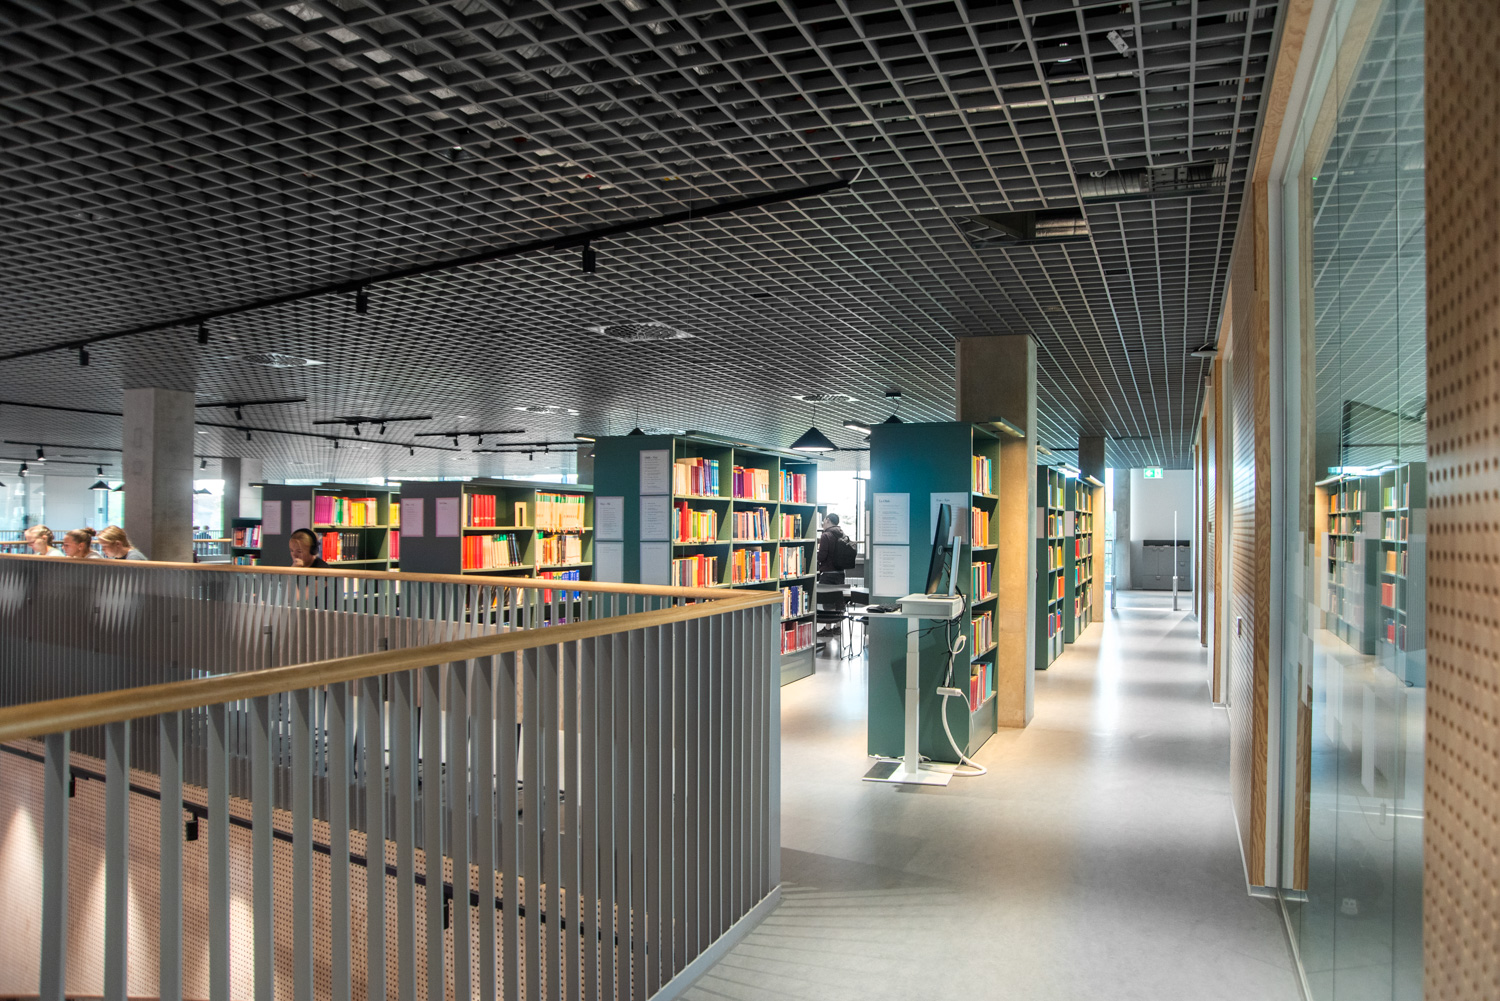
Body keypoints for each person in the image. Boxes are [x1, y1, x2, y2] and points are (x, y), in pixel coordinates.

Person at [817, 513, 857, 579]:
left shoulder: (826, 535)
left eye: (823, 521)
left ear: (827, 520)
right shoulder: (843, 534)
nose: (823, 524)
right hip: (841, 573)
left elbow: (822, 556)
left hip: (828, 572)